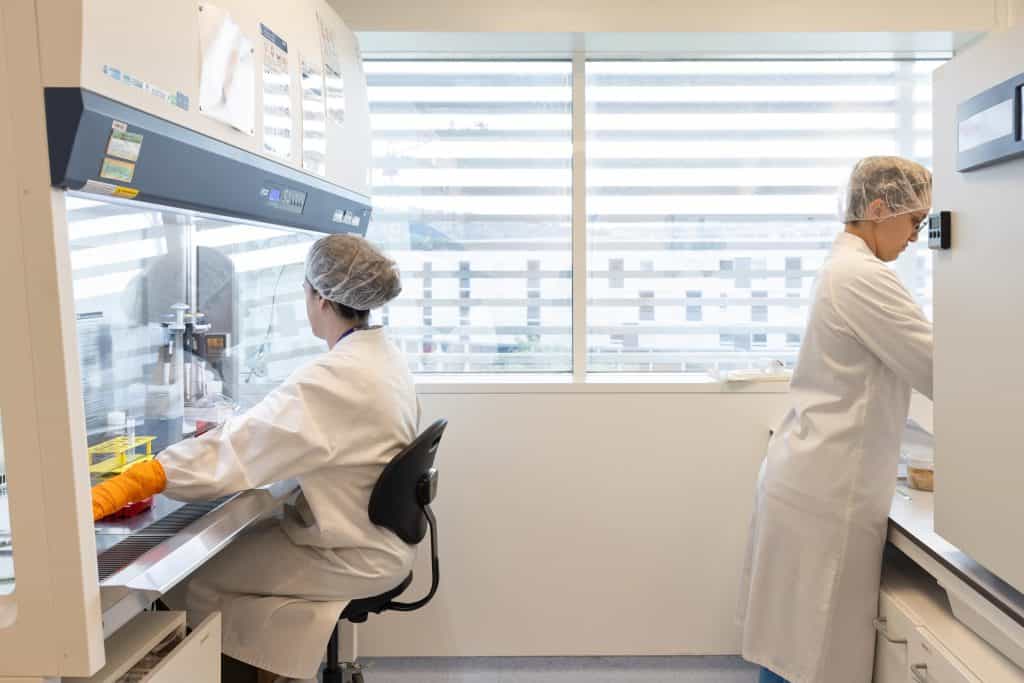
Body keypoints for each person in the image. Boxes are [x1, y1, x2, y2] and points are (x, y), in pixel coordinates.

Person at [91, 234, 419, 683]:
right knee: (228, 552)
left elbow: (237, 449)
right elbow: (274, 432)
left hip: (350, 553)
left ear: (319, 296)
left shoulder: (337, 378)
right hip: (368, 537)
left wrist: (147, 475)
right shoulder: (381, 357)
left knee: (191, 579)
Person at [737, 157, 934, 683]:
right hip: (827, 488)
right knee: (811, 651)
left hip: (812, 475)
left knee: (796, 648)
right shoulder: (863, 276)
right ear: (878, 208)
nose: (917, 236)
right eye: (915, 221)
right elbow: (935, 365)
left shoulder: (846, 269)